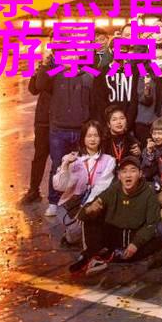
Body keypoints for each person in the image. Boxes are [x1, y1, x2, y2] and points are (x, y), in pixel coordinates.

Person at [70, 156, 162, 275]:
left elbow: (152, 224)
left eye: (132, 171)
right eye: (124, 171)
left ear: (140, 174)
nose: (128, 175)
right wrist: (89, 210)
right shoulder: (114, 189)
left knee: (154, 243)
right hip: (114, 236)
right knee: (91, 216)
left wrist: (136, 244)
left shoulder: (148, 193)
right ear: (119, 175)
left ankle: (98, 257)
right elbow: (86, 211)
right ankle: (93, 256)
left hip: (134, 237)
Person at [46, 62, 103, 214]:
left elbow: (94, 103)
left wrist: (93, 127)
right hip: (58, 129)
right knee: (58, 165)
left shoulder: (88, 76)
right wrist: (46, 63)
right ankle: (53, 201)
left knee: (82, 166)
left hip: (80, 129)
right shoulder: (55, 74)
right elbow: (39, 85)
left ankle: (77, 200)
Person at [51, 120, 117, 247]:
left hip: (95, 204)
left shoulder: (109, 161)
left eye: (96, 135)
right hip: (72, 206)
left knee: (95, 232)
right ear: (83, 138)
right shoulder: (73, 159)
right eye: (89, 136)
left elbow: (102, 187)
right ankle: (72, 234)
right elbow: (59, 186)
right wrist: (65, 165)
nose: (92, 139)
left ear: (101, 138)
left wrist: (86, 209)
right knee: (74, 235)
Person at [20, 50, 53, 206]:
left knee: (60, 159)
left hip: (60, 119)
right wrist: (37, 72)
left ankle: (59, 194)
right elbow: (34, 89)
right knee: (39, 156)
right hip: (43, 119)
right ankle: (34, 190)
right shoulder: (45, 65)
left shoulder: (67, 64)